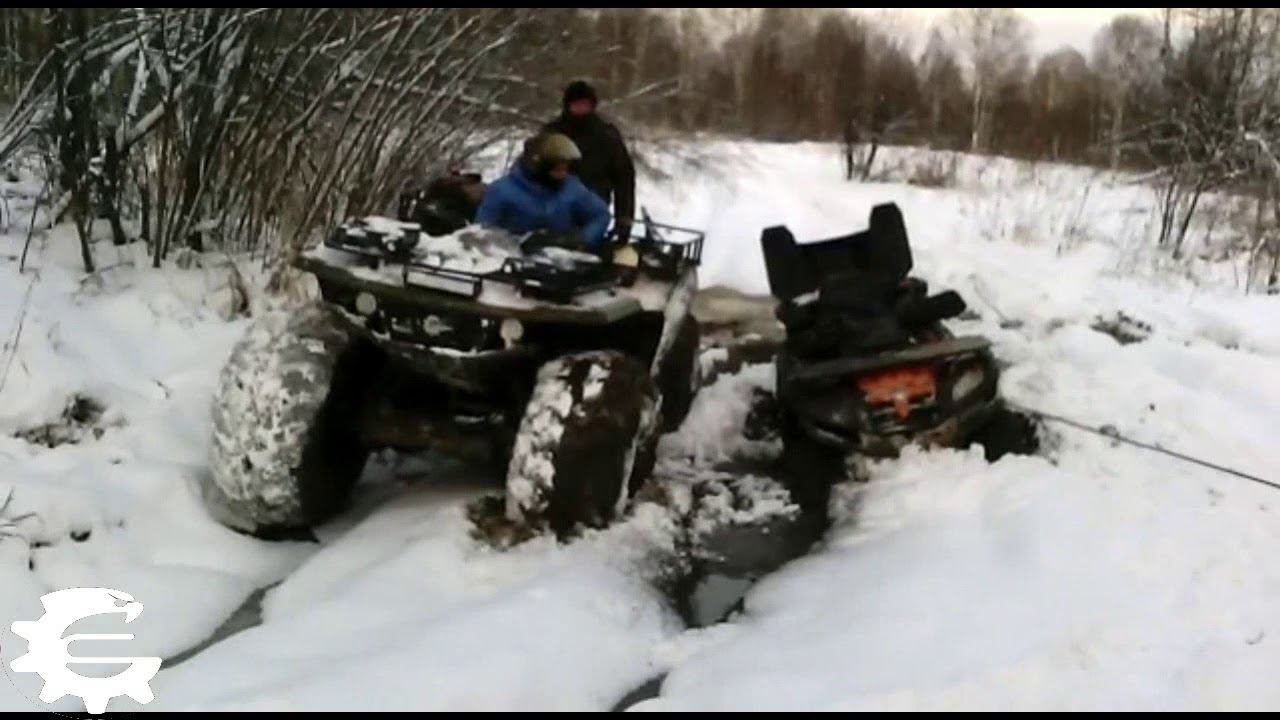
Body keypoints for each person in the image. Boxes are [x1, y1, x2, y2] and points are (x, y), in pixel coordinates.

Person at [475, 132, 611, 250]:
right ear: (538, 166)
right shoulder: (502, 191)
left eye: (565, 169)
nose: (563, 174)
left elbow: (600, 214)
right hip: (516, 259)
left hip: (563, 258)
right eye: (557, 170)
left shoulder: (572, 188)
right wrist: (515, 243)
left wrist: (583, 238)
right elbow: (482, 231)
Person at [544, 80, 636, 242]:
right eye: (576, 104)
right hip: (552, 205)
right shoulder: (552, 133)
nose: (581, 109)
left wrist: (624, 219)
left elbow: (624, 178)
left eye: (585, 105)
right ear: (568, 105)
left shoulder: (607, 136)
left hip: (593, 209)